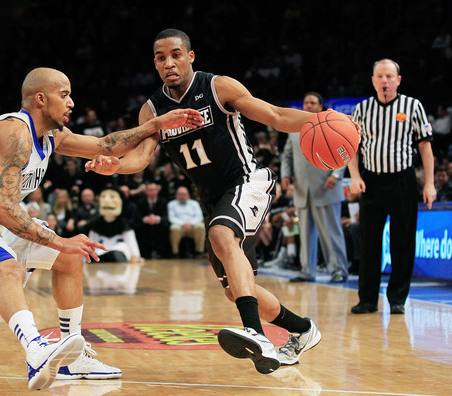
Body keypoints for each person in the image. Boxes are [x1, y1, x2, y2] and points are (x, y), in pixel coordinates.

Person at [0, 67, 203, 391]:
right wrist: (59, 240)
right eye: (64, 94)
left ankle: (72, 358)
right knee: (9, 270)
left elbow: (106, 145)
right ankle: (36, 350)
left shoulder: (52, 136)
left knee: (71, 258)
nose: (71, 103)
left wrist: (155, 125)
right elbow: (4, 210)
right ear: (41, 99)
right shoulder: (15, 132)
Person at [85, 28, 338, 373]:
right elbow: (141, 158)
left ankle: (256, 333)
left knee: (222, 236)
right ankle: (303, 330)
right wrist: (115, 166)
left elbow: (276, 117)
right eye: (161, 58)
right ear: (155, 64)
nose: (168, 63)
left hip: (247, 180)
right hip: (211, 199)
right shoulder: (152, 109)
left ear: (190, 56)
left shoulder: (217, 87)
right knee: (237, 290)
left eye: (176, 54)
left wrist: (321, 120)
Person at [347, 58, 436, 315]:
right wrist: (355, 176)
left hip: (402, 182)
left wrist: (429, 183)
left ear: (398, 80)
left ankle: (397, 298)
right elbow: (352, 147)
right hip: (371, 182)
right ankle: (367, 299)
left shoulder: (413, 106)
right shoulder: (362, 109)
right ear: (373, 80)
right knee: (369, 244)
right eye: (380, 76)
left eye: (389, 76)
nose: (384, 80)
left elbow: (425, 147)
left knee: (402, 243)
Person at [281, 92, 349, 283]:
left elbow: (345, 150)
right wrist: (285, 175)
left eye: (313, 103)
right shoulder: (294, 129)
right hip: (303, 189)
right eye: (306, 103)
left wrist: (336, 175)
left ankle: (338, 270)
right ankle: (306, 270)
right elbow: (287, 155)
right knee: (305, 231)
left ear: (321, 107)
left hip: (326, 187)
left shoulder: (331, 126)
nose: (308, 106)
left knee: (331, 232)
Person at [167, 185, 206, 258]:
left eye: (184, 194)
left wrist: (190, 224)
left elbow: (199, 217)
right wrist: (183, 224)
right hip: (179, 227)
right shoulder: (171, 204)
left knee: (201, 227)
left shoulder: (194, 203)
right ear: (176, 195)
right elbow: (171, 218)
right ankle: (175, 253)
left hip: (193, 227)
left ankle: (199, 252)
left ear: (188, 195)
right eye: (180, 194)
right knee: (174, 228)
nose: (182, 196)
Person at [135, 181, 171, 259]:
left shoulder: (163, 201)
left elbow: (166, 216)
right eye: (150, 190)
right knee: (139, 227)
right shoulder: (141, 202)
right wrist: (146, 219)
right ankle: (144, 253)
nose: (152, 192)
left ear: (157, 191)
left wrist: (156, 219)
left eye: (153, 190)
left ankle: (162, 253)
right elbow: (138, 216)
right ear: (146, 191)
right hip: (145, 224)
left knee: (165, 226)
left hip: (159, 224)